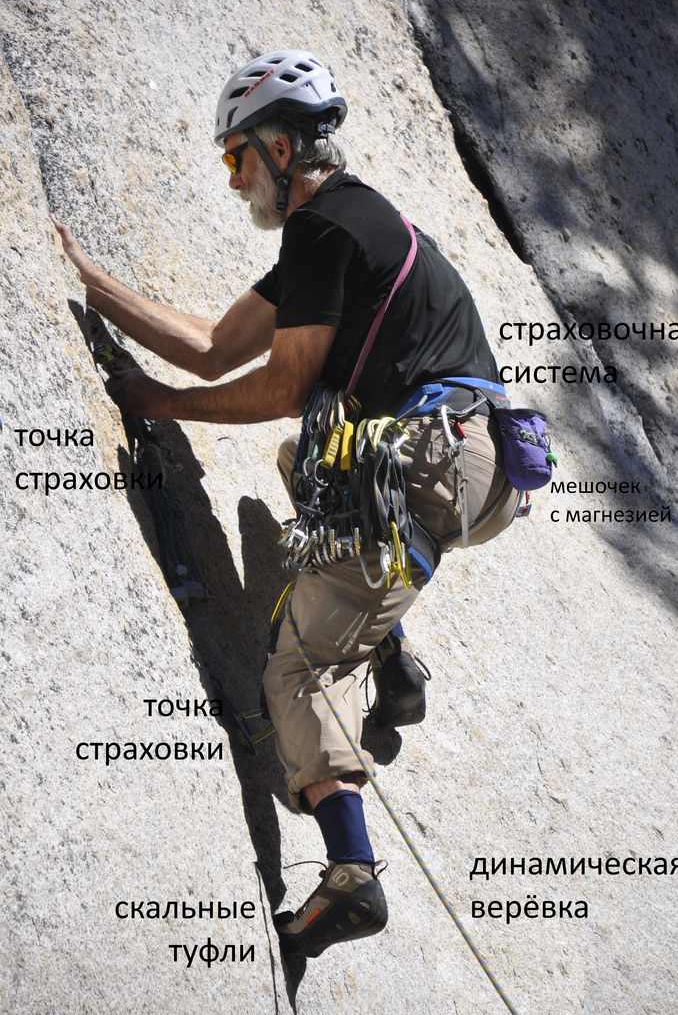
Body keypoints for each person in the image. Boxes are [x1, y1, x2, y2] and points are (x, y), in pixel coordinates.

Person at [52, 49, 520, 959]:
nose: (233, 181)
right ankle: (390, 656)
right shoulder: (351, 225)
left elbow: (281, 386)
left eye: (236, 158)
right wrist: (88, 278)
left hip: (433, 459)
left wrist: (160, 407)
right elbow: (212, 345)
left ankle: (352, 873)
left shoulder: (324, 230)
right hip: (476, 464)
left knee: (297, 675)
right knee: (306, 467)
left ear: (278, 147)